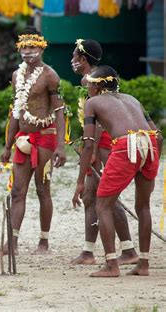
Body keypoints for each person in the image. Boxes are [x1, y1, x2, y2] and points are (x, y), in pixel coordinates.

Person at [72, 65, 162, 277]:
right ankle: (144, 264)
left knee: (103, 204)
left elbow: (88, 144)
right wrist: (153, 160)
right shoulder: (132, 99)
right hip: (149, 144)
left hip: (126, 146)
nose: (88, 88)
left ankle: (111, 265)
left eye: (91, 84)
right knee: (144, 206)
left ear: (100, 85)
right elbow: (158, 135)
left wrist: (79, 183)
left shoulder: (92, 102)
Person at [0, 26, 66, 257]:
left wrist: (60, 146)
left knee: (43, 190)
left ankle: (44, 242)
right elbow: (16, 112)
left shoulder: (50, 76)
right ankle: (11, 243)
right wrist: (7, 144)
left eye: (32, 47)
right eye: (24, 47)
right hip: (23, 139)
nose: (28, 51)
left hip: (45, 138)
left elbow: (60, 111)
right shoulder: (16, 75)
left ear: (41, 48)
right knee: (17, 192)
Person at [69, 39, 139, 265]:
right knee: (92, 197)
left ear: (83, 59)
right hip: (98, 143)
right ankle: (89, 251)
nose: (72, 62)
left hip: (104, 144)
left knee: (106, 197)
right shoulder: (95, 77)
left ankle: (127, 250)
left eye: (75, 58)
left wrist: (92, 151)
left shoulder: (90, 80)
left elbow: (98, 122)